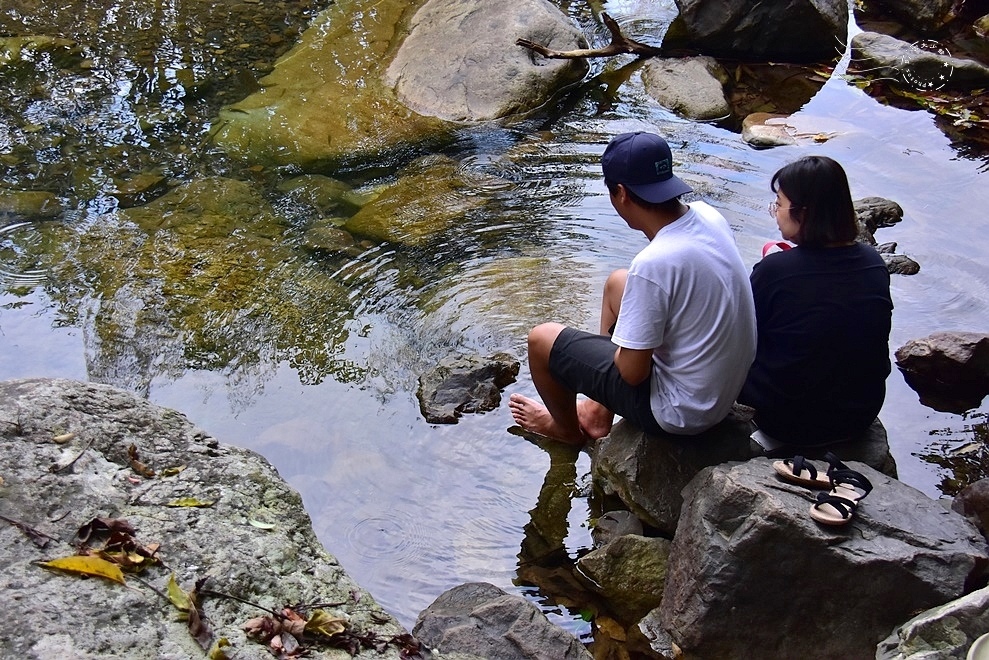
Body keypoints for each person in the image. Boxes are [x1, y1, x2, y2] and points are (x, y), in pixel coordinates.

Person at [509, 131, 757, 445]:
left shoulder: (654, 262)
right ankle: (598, 413)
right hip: (720, 391)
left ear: (621, 194)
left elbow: (632, 374)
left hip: (681, 411)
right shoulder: (709, 217)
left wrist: (603, 355)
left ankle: (566, 430)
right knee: (617, 284)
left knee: (542, 339)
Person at [738, 155, 893, 446]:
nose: (776, 213)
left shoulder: (776, 270)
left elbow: (740, 338)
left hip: (786, 420)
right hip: (859, 415)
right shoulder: (873, 262)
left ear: (803, 213)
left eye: (779, 204)